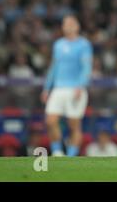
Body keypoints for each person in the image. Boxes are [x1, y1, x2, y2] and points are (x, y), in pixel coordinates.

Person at [41, 15, 93, 157]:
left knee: (73, 125)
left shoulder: (84, 44)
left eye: (71, 23)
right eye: (65, 24)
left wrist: (80, 86)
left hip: (75, 88)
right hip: (58, 88)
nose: (68, 26)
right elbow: (54, 67)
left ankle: (71, 156)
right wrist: (46, 88)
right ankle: (57, 151)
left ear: (77, 26)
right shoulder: (58, 44)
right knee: (50, 121)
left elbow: (86, 67)